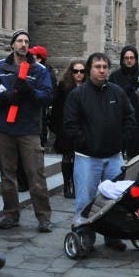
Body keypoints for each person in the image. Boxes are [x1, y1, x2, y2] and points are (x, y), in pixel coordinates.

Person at [63, 52, 136, 249]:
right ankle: (83, 235)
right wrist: (86, 143)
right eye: (98, 67)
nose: (102, 70)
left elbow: (130, 117)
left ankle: (112, 235)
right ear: (89, 69)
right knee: (85, 200)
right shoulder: (77, 95)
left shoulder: (117, 92)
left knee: (115, 200)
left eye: (105, 67)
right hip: (87, 158)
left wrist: (122, 140)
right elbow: (70, 125)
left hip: (114, 157)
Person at [0, 29, 54, 232]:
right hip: (5, 128)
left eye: (26, 41)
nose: (23, 44)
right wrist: (3, 98)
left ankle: (43, 217)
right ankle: (10, 215)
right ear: (12, 44)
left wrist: (31, 92)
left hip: (29, 129)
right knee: (7, 175)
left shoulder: (39, 70)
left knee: (36, 174)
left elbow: (47, 96)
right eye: (20, 41)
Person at [48, 59, 86, 198]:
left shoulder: (88, 87)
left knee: (79, 158)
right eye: (76, 71)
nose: (79, 74)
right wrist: (58, 127)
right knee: (67, 156)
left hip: (82, 128)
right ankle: (66, 184)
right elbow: (57, 108)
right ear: (71, 72)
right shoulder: (64, 86)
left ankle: (76, 185)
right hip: (66, 128)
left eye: (82, 71)